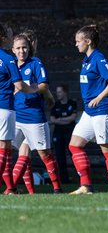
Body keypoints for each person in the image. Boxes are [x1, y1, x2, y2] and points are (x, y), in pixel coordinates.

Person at [68, 25, 108, 195]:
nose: (76, 44)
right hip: (90, 112)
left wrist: (99, 98)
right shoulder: (87, 59)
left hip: (104, 111)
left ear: (88, 41)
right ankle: (86, 186)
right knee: (74, 145)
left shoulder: (99, 58)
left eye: (78, 41)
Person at [10, 33, 63, 194]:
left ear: (29, 48)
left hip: (34, 117)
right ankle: (14, 189)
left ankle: (57, 188)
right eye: (18, 48)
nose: (21, 51)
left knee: (44, 153)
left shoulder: (35, 63)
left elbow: (43, 85)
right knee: (15, 152)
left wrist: (30, 89)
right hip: (15, 117)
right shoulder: (10, 65)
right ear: (13, 50)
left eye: (24, 47)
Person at [0, 24, 40, 194]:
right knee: (5, 149)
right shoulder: (8, 59)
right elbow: (19, 85)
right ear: (3, 38)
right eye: (10, 35)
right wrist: (34, 89)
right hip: (5, 108)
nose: (12, 38)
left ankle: (11, 188)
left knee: (6, 149)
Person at [50, 84, 77, 183]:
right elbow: (52, 120)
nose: (58, 94)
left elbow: (72, 118)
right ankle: (64, 180)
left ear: (65, 92)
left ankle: (80, 177)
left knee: (73, 154)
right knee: (60, 157)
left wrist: (60, 119)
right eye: (57, 92)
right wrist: (65, 120)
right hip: (58, 133)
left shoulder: (72, 103)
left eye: (60, 92)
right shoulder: (55, 105)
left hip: (70, 133)